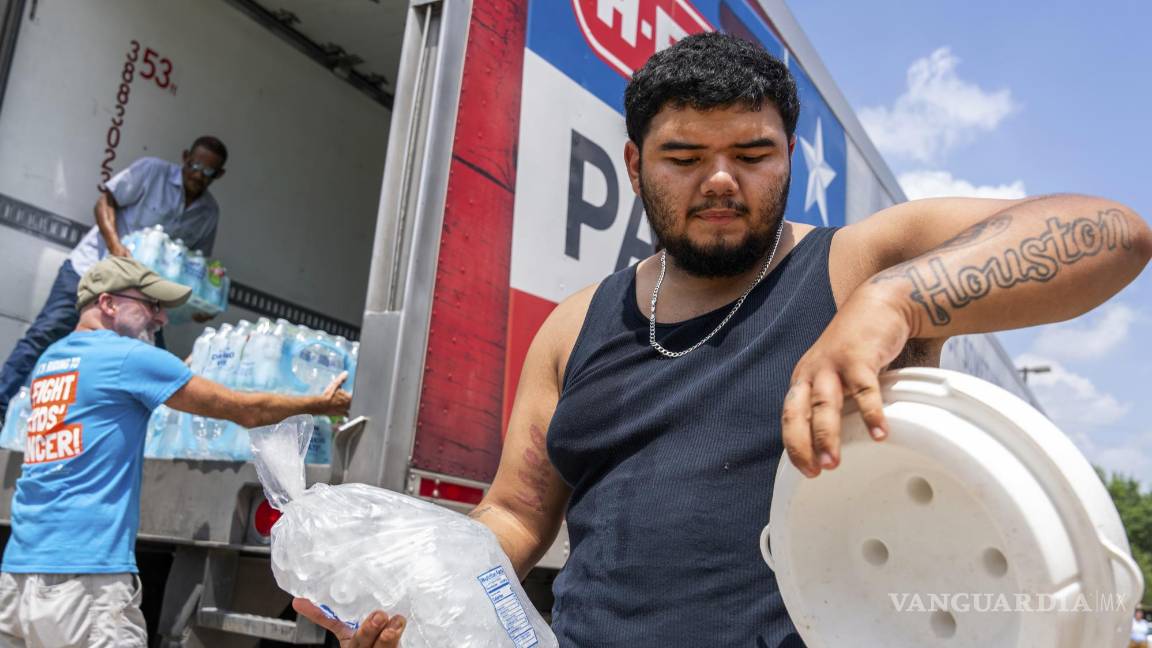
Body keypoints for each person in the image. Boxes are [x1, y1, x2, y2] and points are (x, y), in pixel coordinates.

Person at [300, 33, 1152, 647]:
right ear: (634, 166)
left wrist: (900, 297)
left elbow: (1110, 232)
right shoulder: (576, 325)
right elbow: (517, 514)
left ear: (787, 156)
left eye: (753, 152)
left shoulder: (850, 266)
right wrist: (413, 588)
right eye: (683, 156)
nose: (719, 180)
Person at [0, 257, 353, 648]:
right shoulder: (126, 357)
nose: (161, 318)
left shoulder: (51, 361)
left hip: (18, 576)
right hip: (86, 581)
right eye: (150, 305)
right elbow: (245, 410)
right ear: (108, 303)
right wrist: (322, 405)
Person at [0, 136, 228, 420]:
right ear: (185, 157)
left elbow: (194, 266)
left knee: (150, 362)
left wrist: (197, 306)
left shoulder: (208, 213)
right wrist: (116, 247)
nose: (198, 174)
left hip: (135, 298)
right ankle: (1, 407)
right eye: (195, 165)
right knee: (45, 335)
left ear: (218, 175)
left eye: (208, 172)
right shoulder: (150, 171)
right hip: (89, 272)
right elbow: (104, 203)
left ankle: (137, 435)